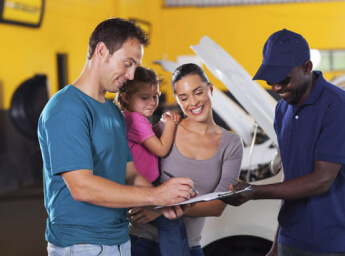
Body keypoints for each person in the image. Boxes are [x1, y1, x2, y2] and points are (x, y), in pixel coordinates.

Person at [37, 18, 195, 256]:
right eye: (127, 63)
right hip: (81, 245)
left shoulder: (113, 112)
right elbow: (82, 187)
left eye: (135, 66)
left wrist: (164, 203)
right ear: (102, 51)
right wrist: (155, 194)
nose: (131, 75)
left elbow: (129, 174)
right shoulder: (66, 108)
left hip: (119, 240)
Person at [222, 29, 345, 256]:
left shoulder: (338, 107)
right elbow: (291, 176)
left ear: (307, 67)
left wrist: (254, 191)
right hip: (290, 238)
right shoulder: (282, 109)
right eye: (270, 80)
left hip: (328, 244)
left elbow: (322, 180)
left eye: (283, 79)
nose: (276, 88)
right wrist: (278, 242)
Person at [127, 63, 244, 256]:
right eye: (184, 97)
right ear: (177, 100)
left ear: (211, 89)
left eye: (198, 92)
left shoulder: (231, 144)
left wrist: (161, 207)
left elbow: (217, 206)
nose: (193, 103)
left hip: (188, 246)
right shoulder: (166, 129)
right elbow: (130, 165)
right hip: (142, 241)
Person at [114, 66, 190, 256]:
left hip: (138, 186)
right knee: (172, 223)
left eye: (155, 96)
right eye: (144, 97)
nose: (152, 102)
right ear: (125, 97)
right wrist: (171, 124)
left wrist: (162, 124)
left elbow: (148, 138)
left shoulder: (128, 117)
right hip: (142, 187)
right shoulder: (136, 120)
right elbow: (161, 149)